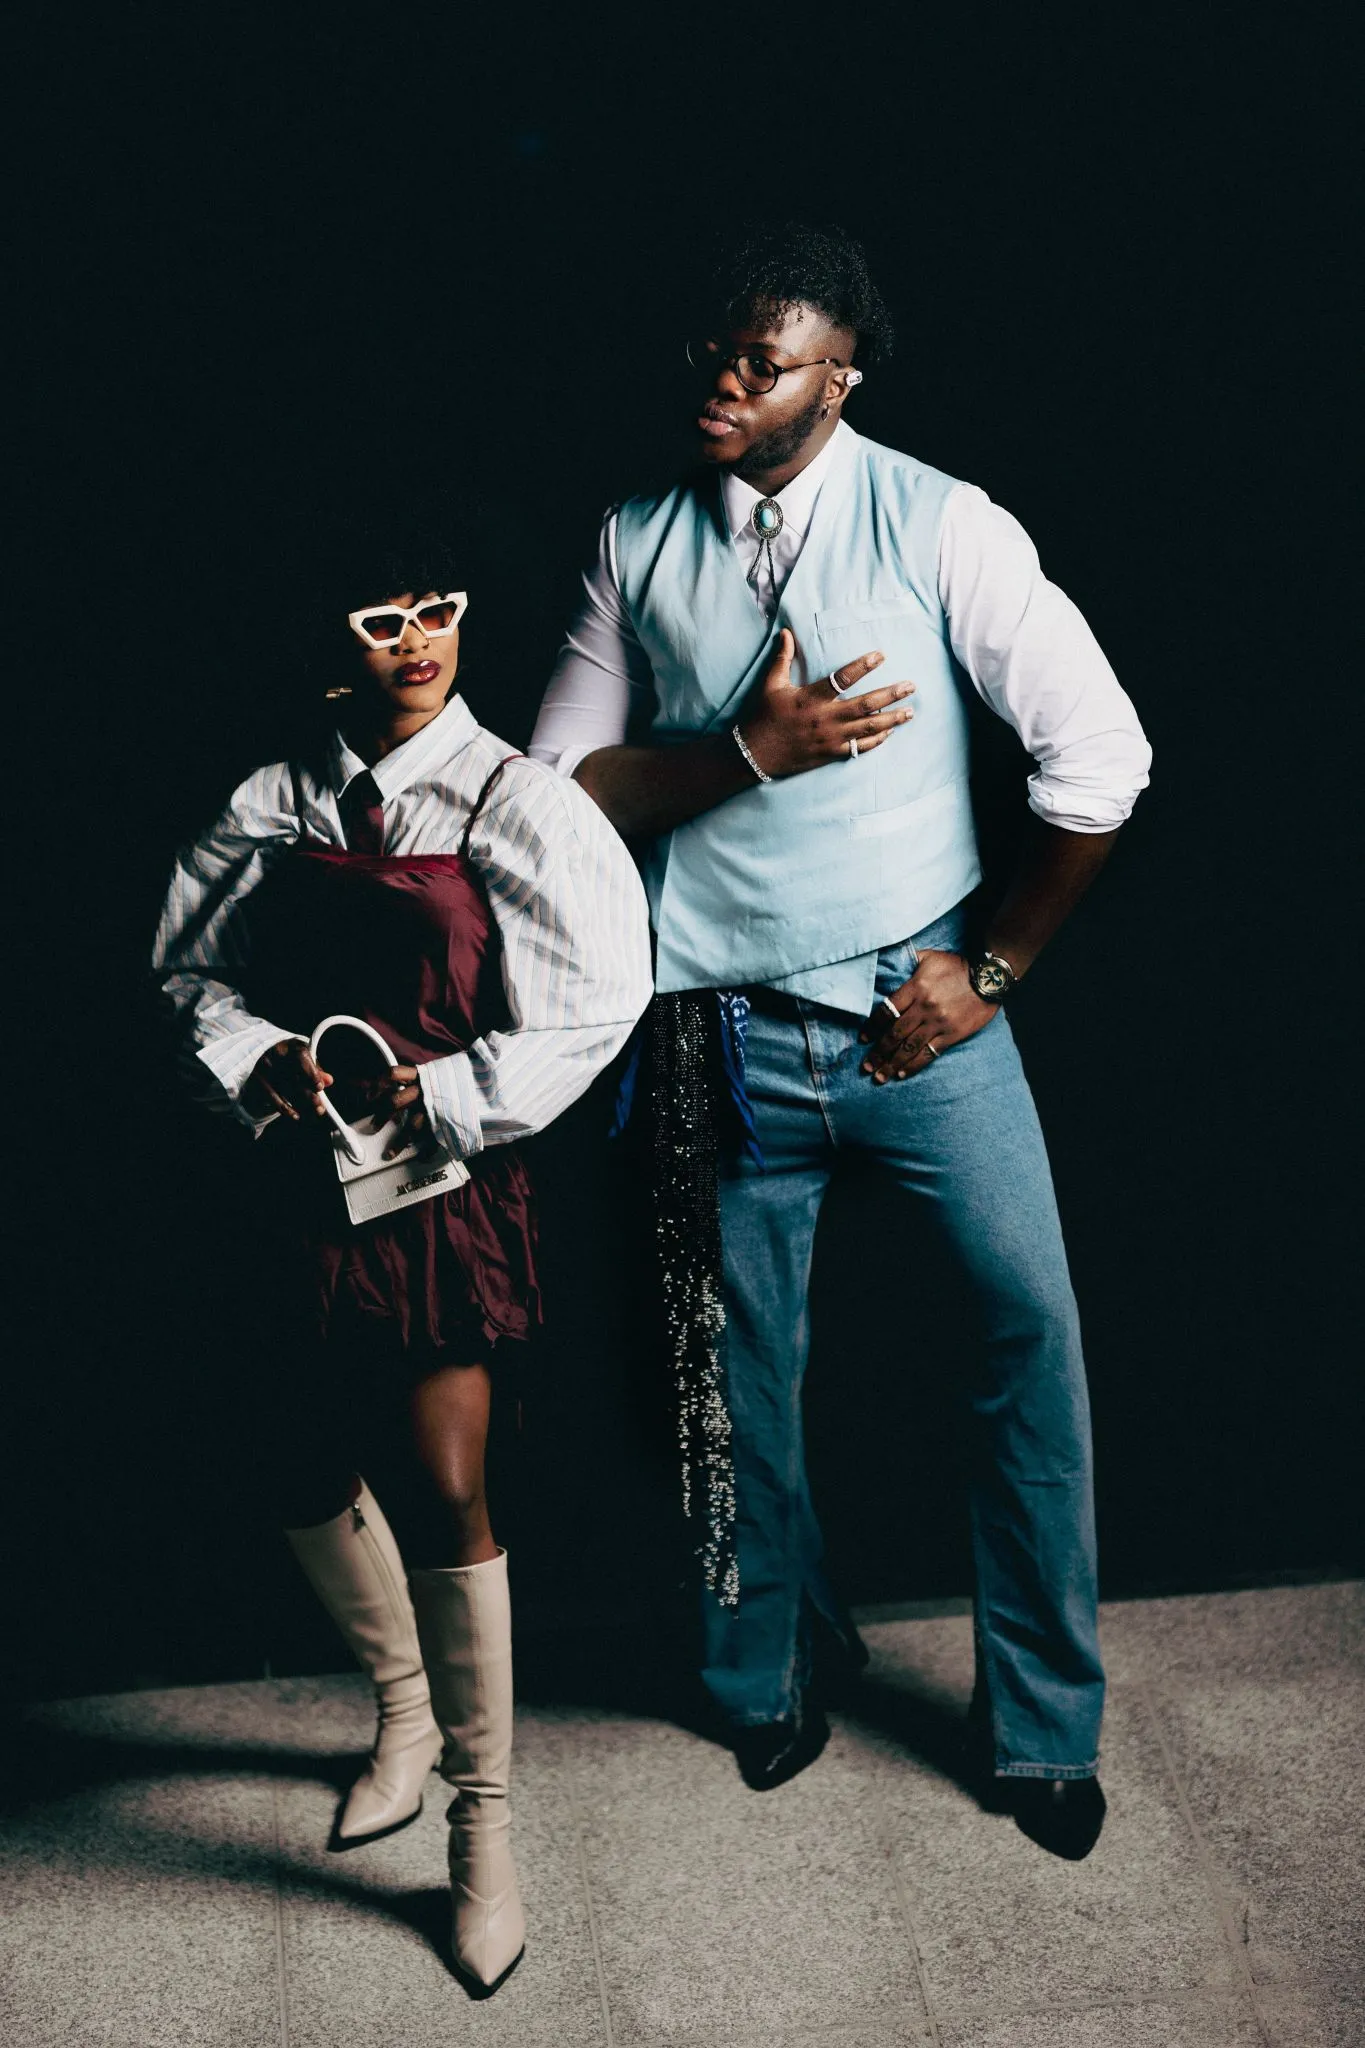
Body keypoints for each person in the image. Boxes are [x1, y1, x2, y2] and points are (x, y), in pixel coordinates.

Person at [531, 221, 1152, 1861]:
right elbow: (556, 796)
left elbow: (1101, 755)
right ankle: (765, 1675)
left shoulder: (942, 521)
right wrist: (746, 749)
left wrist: (994, 972)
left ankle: (1040, 1730)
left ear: (842, 375)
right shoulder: (635, 537)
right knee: (725, 1391)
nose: (723, 384)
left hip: (918, 1017)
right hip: (710, 1029)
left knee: (1029, 1347)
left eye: (764, 361)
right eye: (710, 356)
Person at [153, 514, 651, 1992]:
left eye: (438, 606)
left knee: (447, 1484)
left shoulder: (513, 795)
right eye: (383, 618)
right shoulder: (272, 800)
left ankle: (484, 1828)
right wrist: (261, 1056)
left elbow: (593, 998)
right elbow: (186, 969)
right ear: (331, 651)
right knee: (296, 1461)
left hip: (439, 1183)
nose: (422, 637)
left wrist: (437, 1092)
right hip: (294, 1179)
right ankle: (402, 1715)